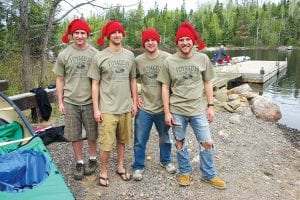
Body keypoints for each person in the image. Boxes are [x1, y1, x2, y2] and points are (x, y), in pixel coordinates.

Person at [157, 21, 226, 189]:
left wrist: (211, 106)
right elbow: (165, 87)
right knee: (180, 141)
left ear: (193, 41)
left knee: (207, 142)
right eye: (181, 40)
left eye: (188, 39)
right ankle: (185, 172)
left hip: (197, 110)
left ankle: (209, 175)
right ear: (177, 42)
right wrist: (167, 112)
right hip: (177, 110)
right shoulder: (169, 62)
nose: (185, 42)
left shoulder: (202, 58)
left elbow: (208, 83)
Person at [88, 20, 137, 187]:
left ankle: (120, 167)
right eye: (113, 32)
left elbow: (132, 79)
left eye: (119, 32)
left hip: (125, 107)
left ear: (123, 34)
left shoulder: (130, 55)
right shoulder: (99, 56)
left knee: (122, 140)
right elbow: (95, 84)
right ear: (108, 35)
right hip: (107, 108)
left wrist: (134, 102)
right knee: (106, 143)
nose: (117, 35)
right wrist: (96, 108)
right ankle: (103, 171)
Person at [52, 19, 99, 180]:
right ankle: (79, 162)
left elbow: (101, 79)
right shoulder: (64, 54)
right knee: (75, 134)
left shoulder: (94, 54)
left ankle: (93, 159)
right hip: (70, 100)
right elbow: (60, 79)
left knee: (92, 133)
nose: (79, 36)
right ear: (71, 35)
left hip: (90, 101)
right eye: (76, 33)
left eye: (82, 33)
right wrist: (60, 101)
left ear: (87, 35)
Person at [131, 28, 176, 181]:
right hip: (145, 107)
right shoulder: (138, 61)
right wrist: (135, 97)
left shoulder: (168, 58)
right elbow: (131, 80)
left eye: (153, 40)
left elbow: (176, 81)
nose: (150, 43)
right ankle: (138, 166)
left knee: (165, 137)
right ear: (144, 43)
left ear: (158, 41)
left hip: (163, 107)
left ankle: (166, 161)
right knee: (139, 139)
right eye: (147, 40)